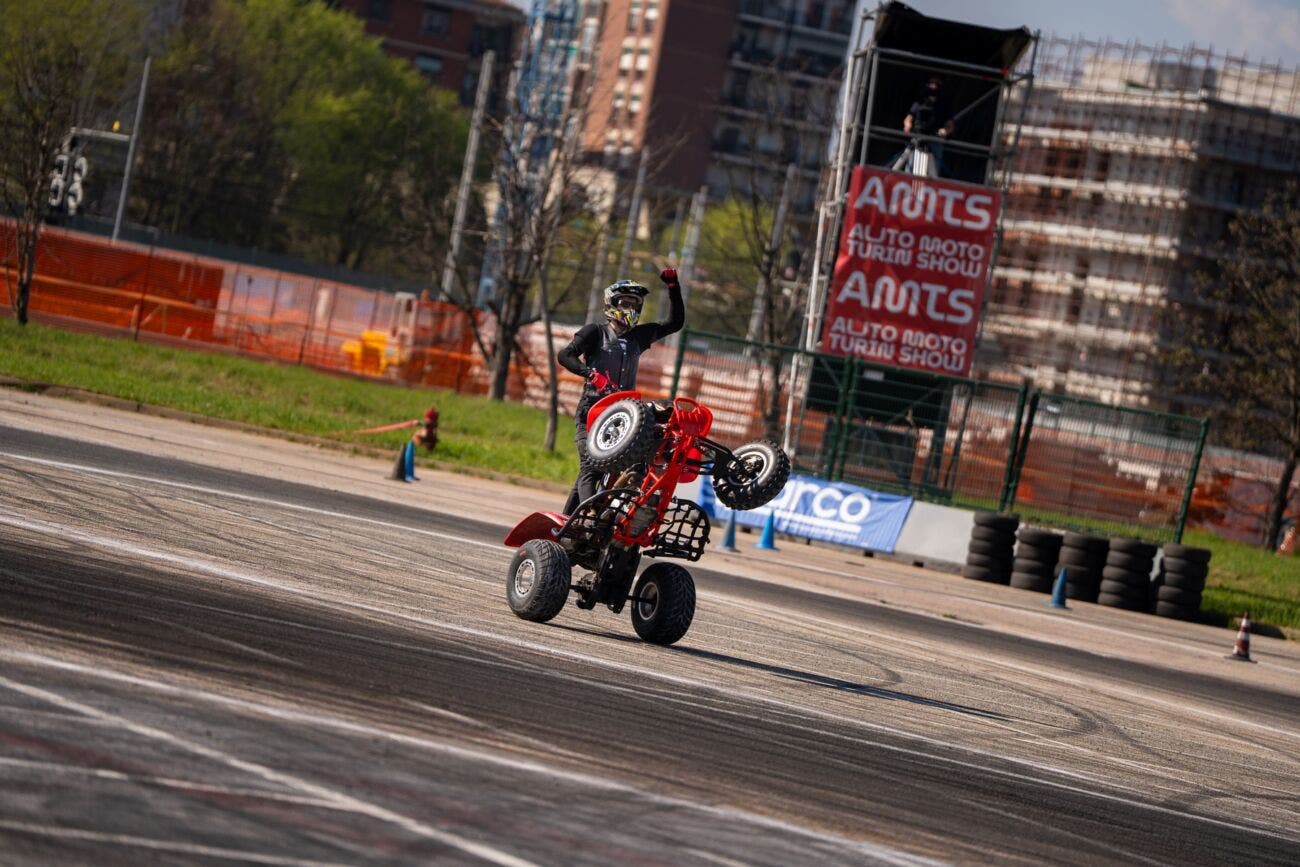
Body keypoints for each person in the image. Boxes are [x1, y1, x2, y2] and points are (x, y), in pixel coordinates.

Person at [557, 268, 685, 514]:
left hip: (623, 416)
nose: (630, 308)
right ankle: (592, 513)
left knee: (608, 469)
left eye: (635, 304)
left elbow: (675, 323)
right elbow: (565, 355)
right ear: (612, 303)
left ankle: (568, 522)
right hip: (592, 412)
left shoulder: (639, 337)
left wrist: (673, 287)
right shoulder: (595, 332)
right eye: (625, 302)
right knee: (591, 467)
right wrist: (590, 374)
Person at [894, 76, 955, 177]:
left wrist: (944, 131)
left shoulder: (944, 105)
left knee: (934, 171)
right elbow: (908, 118)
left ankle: (932, 184)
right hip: (916, 138)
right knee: (910, 168)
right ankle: (907, 180)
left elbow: (950, 125)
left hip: (934, 139)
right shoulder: (920, 102)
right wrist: (907, 125)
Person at [390, 405, 439, 482]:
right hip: (427, 437)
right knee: (413, 440)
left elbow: (426, 423)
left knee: (413, 440)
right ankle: (409, 472)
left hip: (426, 437)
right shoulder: (433, 424)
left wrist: (417, 422)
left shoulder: (430, 423)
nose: (425, 419)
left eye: (426, 417)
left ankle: (408, 472)